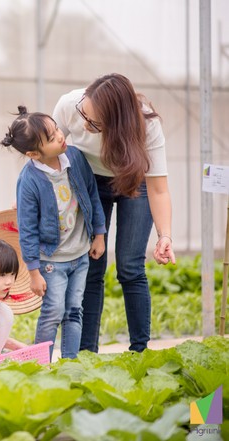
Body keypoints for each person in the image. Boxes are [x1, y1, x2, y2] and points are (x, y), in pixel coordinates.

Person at [52, 73, 176, 353]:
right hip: (91, 181)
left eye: (94, 124)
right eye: (84, 113)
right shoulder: (70, 105)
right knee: (91, 267)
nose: (84, 124)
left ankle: (139, 352)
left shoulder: (147, 125)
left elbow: (158, 189)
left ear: (117, 124)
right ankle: (87, 353)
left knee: (130, 266)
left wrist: (164, 235)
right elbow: (44, 150)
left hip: (135, 182)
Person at [0, 105, 106, 360]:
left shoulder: (76, 158)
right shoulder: (30, 180)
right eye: (51, 137)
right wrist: (34, 273)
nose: (60, 136)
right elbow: (26, 230)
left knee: (74, 310)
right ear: (34, 153)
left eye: (57, 128)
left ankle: (70, 363)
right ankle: (42, 364)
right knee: (52, 312)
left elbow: (92, 195)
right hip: (51, 262)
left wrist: (99, 234)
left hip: (79, 254)